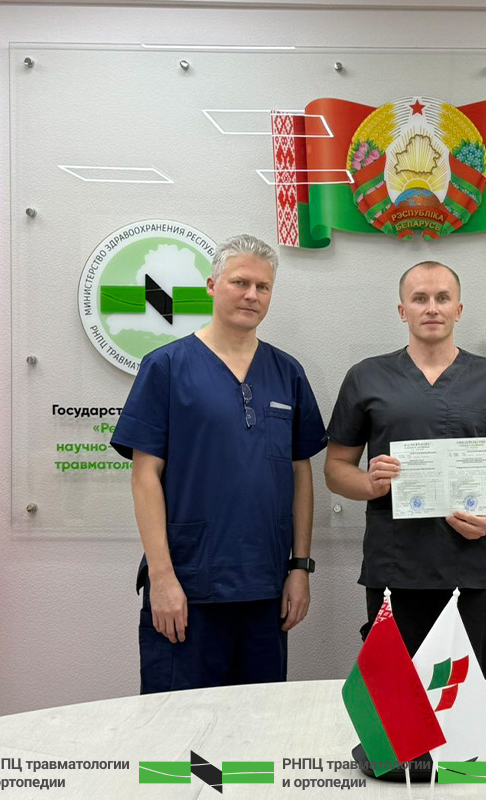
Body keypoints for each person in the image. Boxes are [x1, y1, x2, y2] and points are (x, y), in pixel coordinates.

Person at [111, 234, 327, 693]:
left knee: (259, 721)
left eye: (263, 287)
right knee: (180, 722)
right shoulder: (167, 367)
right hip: (189, 587)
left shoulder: (287, 373)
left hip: (266, 588)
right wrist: (163, 578)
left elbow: (300, 472)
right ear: (212, 285)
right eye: (240, 282)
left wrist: (299, 568)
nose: (252, 295)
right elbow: (145, 476)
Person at [324, 260, 486, 675]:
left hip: (469, 569)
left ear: (459, 309)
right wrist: (369, 484)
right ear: (402, 310)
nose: (432, 308)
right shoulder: (366, 377)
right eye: (420, 299)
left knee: (462, 697)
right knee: (395, 698)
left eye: (442, 298)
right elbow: (335, 468)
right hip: (394, 568)